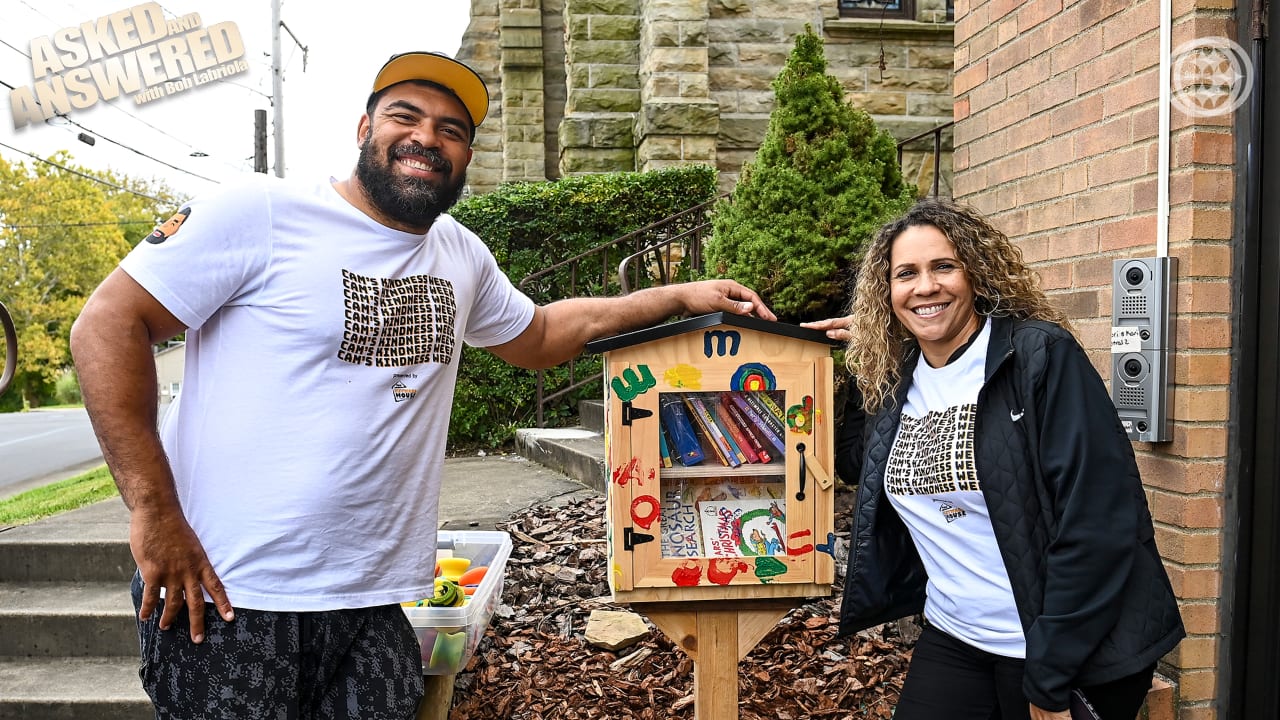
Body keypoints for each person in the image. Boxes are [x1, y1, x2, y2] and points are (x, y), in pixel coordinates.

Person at [70, 51, 775, 719]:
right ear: (363, 129)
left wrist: (677, 295)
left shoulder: (459, 253)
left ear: (467, 155)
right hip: (232, 595)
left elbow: (541, 335)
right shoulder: (259, 212)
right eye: (405, 116)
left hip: (374, 602)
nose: (425, 138)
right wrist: (154, 514)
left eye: (451, 130)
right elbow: (106, 326)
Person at [802, 200, 1184, 720]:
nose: (925, 287)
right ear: (886, 293)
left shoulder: (1038, 357)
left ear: (975, 274)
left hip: (1066, 647)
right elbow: (856, 465)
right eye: (905, 274)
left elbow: (1100, 523)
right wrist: (856, 367)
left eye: (943, 266)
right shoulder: (901, 377)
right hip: (956, 635)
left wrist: (1050, 678)